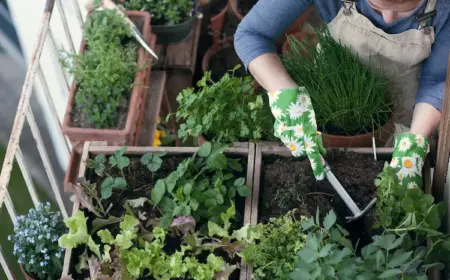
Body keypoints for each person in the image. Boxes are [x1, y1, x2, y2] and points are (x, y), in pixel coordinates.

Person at [234, 0, 449, 189]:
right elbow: (252, 33)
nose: (387, 18)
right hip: (334, 97)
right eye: (375, 5)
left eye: (404, 8)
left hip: (409, 106)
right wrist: (285, 92)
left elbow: (436, 81)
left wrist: (416, 140)